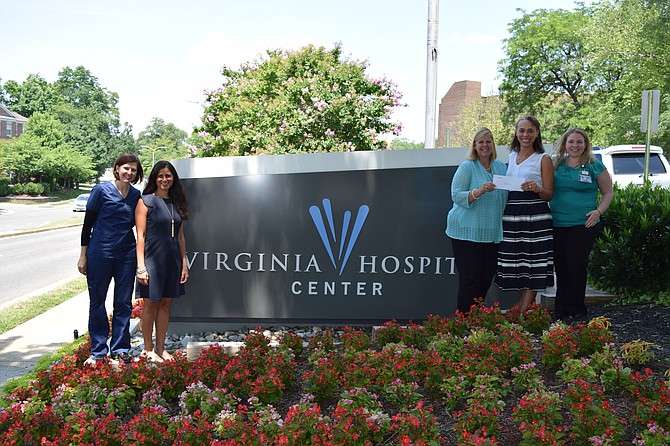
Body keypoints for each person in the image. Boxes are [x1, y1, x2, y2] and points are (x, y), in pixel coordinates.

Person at [78, 153, 144, 365]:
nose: (129, 173)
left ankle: (120, 348)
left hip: (126, 255)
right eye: (126, 168)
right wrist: (83, 255)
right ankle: (98, 350)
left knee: (123, 303)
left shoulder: (135, 195)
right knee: (97, 301)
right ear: (117, 169)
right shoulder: (100, 190)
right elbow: (87, 224)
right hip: (99, 253)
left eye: (133, 170)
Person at [550, 128, 613, 320]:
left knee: (576, 265)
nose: (575, 146)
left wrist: (598, 211)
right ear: (564, 144)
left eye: (579, 142)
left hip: (583, 224)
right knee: (561, 267)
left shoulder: (595, 166)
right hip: (557, 223)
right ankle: (560, 309)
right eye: (571, 142)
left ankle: (576, 308)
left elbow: (608, 193)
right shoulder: (556, 165)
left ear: (585, 145)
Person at [495, 115, 554, 313]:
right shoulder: (511, 157)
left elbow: (549, 194)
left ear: (537, 133)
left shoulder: (543, 159)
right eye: (522, 130)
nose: (525, 135)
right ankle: (527, 307)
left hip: (535, 215)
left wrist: (537, 188)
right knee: (517, 262)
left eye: (530, 131)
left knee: (534, 261)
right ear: (516, 133)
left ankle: (522, 311)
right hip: (512, 214)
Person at [446, 128, 508, 313]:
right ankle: (464, 320)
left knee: (485, 277)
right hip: (466, 231)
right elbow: (456, 195)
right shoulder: (467, 167)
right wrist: (479, 191)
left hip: (491, 233)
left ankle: (476, 316)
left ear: (493, 145)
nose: (484, 145)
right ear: (474, 145)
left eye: (488, 142)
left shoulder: (501, 167)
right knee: (470, 278)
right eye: (480, 142)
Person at [135, 160, 189, 362]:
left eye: (168, 176)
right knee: (150, 304)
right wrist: (141, 267)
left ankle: (160, 348)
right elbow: (140, 236)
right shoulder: (146, 201)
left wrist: (183, 263)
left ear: (173, 178)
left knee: (166, 304)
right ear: (154, 179)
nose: (164, 179)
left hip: (172, 261)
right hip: (152, 261)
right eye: (160, 176)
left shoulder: (176, 203)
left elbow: (181, 237)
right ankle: (148, 350)